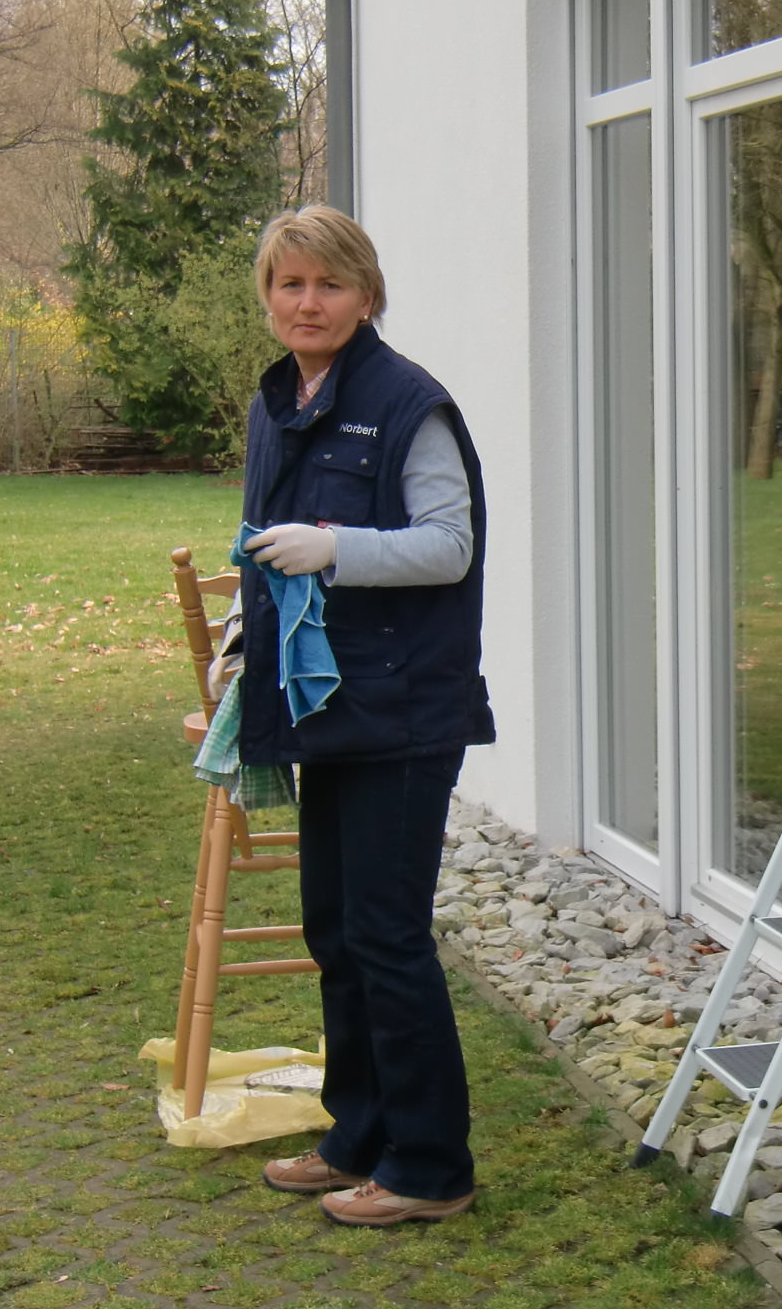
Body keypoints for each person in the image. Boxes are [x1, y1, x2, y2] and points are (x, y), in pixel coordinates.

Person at [234, 205, 494, 1227]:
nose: (308, 302)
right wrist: (246, 634)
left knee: (386, 935)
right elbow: (266, 543)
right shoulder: (277, 403)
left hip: (406, 710)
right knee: (336, 931)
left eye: (329, 284)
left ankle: (430, 1166)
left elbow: (447, 545)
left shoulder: (407, 404)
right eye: (289, 284)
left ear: (367, 296)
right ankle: (358, 1135)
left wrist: (336, 547)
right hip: (330, 706)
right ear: (268, 296)